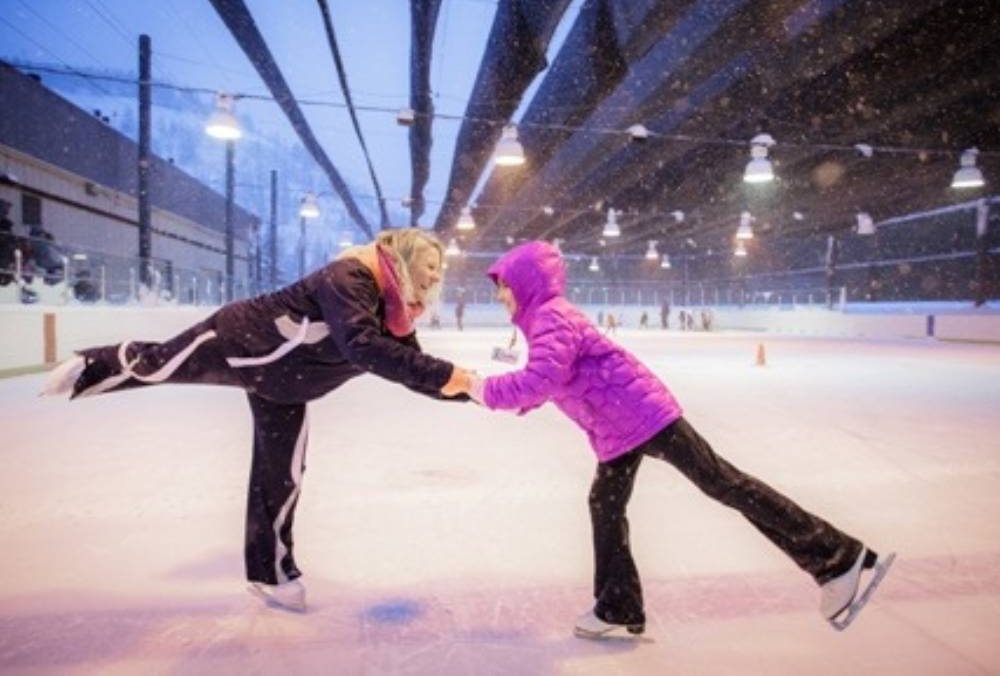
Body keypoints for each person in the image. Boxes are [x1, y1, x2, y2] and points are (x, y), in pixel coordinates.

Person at [462, 242, 892, 638]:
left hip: (640, 415)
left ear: (525, 283)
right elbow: (556, 381)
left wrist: (483, 389)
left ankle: (837, 557)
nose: (501, 296)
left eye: (504, 287)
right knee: (608, 504)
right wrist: (504, 396)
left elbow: (541, 380)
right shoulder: (545, 318)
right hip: (617, 428)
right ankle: (618, 605)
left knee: (724, 483)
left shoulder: (551, 316)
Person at [42, 228, 474, 612]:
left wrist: (479, 392)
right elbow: (364, 347)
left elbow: (410, 367)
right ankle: (88, 366)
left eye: (440, 269)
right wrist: (449, 376)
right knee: (157, 363)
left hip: (287, 385)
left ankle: (271, 574)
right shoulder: (350, 279)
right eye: (431, 265)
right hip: (241, 341)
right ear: (404, 257)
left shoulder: (396, 313)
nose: (437, 276)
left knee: (281, 477)